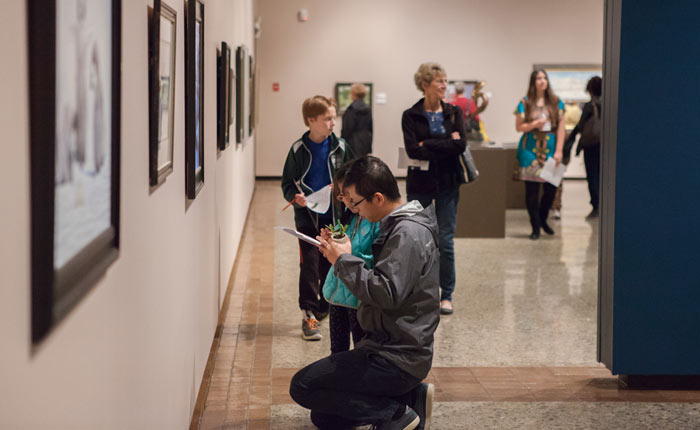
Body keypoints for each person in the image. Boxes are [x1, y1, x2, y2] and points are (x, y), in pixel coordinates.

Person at [290, 155, 439, 430]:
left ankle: (396, 415)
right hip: (386, 344)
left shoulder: (407, 234)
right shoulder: (397, 225)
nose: (353, 209)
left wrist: (343, 260)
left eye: (355, 202)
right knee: (324, 416)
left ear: (378, 198)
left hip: (396, 356)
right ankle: (410, 397)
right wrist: (345, 253)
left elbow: (384, 292)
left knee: (302, 386)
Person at [281, 95, 354, 341]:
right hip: (306, 217)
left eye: (334, 118)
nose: (333, 123)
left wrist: (342, 189)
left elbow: (354, 175)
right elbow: (287, 184)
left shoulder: (341, 147)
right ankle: (309, 314)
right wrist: (296, 197)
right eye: (328, 119)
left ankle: (326, 306)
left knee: (329, 263)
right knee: (309, 265)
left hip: (334, 217)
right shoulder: (298, 150)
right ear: (311, 120)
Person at [402, 62, 468, 315]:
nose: (444, 86)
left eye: (445, 81)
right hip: (420, 185)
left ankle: (446, 294)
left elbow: (460, 145)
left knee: (445, 240)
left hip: (449, 183)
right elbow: (412, 150)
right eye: (439, 81)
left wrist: (427, 143)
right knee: (418, 239)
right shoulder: (410, 115)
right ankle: (419, 292)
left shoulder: (453, 113)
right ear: (425, 84)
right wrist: (444, 143)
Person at [321, 162, 380, 354]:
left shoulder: (375, 220)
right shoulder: (348, 217)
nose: (344, 200)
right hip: (337, 293)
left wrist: (348, 254)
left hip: (358, 297)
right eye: (340, 195)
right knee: (337, 350)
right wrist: (330, 241)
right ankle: (338, 383)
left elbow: (375, 258)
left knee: (360, 350)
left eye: (347, 194)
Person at [514, 69, 566, 240]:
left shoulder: (556, 102)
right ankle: (535, 226)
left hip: (550, 149)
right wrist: (534, 123)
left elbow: (561, 129)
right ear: (533, 82)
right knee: (532, 191)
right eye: (538, 78)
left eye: (544, 78)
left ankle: (542, 219)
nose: (542, 81)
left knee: (551, 189)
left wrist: (559, 151)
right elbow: (519, 127)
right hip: (530, 149)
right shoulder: (525, 102)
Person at [564, 76, 602, 219]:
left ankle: (596, 206)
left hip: (591, 146)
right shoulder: (609, 103)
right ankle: (601, 205)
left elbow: (580, 126)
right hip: (604, 146)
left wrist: (571, 141)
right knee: (601, 176)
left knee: (592, 176)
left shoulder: (589, 106)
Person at [341, 83, 373, 158]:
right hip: (365, 140)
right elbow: (370, 128)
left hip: (353, 141)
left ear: (353, 94)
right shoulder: (367, 108)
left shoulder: (351, 109)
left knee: (352, 164)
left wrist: (342, 142)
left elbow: (347, 128)